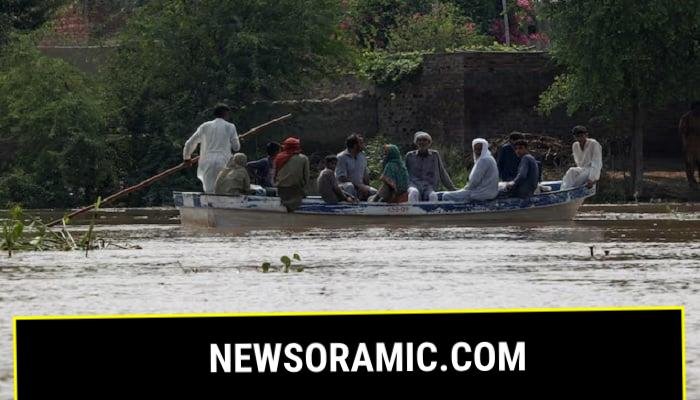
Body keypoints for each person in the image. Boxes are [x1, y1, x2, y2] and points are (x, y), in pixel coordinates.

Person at [183, 103, 240, 193]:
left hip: (207, 161)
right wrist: (237, 140)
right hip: (224, 161)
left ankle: (209, 205)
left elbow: (190, 143)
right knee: (223, 190)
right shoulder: (230, 126)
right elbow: (236, 147)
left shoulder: (205, 126)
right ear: (225, 114)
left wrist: (187, 158)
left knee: (209, 190)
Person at [404, 131, 456, 202]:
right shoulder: (410, 155)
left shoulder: (435, 155)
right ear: (416, 143)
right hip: (414, 184)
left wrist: (452, 189)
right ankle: (413, 212)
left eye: (425, 140)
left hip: (429, 186)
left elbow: (442, 173)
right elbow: (403, 173)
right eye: (419, 140)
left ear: (429, 143)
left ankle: (432, 213)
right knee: (414, 193)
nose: (422, 142)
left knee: (433, 196)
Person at [336, 134, 377, 200]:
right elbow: (341, 177)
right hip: (344, 187)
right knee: (350, 186)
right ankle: (350, 208)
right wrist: (358, 186)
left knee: (375, 192)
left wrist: (366, 187)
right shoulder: (341, 157)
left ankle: (368, 208)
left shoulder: (362, 156)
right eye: (361, 143)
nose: (364, 144)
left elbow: (365, 175)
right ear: (355, 145)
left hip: (360, 186)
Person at [561, 125, 603, 189]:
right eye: (578, 136)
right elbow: (578, 163)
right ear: (575, 137)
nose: (580, 138)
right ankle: (563, 191)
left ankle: (571, 192)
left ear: (586, 135)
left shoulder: (594, 144)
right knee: (571, 170)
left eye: (582, 136)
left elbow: (597, 162)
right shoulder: (575, 145)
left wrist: (592, 179)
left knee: (579, 180)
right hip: (582, 168)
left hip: (591, 170)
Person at [274, 137, 309, 212]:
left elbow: (275, 174)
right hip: (295, 188)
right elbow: (306, 177)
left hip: (281, 188)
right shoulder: (303, 158)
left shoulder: (279, 157)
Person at [679, 101, 700, 188]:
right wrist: (685, 144)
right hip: (690, 145)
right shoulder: (686, 118)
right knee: (690, 164)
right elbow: (683, 132)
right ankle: (691, 182)